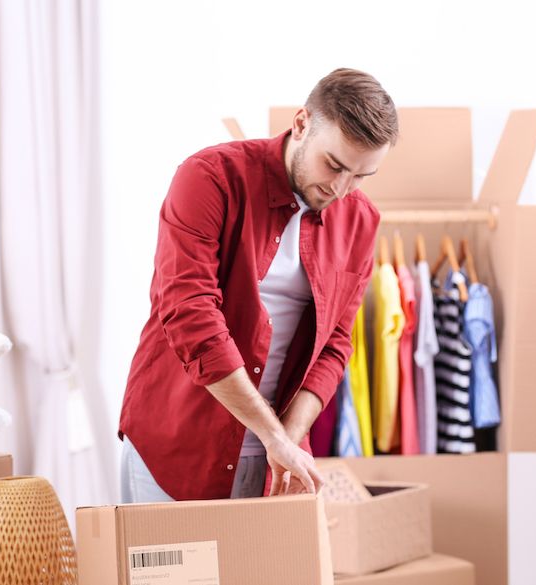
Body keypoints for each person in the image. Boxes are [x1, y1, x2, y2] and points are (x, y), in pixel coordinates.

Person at [118, 68, 398, 502]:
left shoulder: (361, 220)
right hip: (179, 446)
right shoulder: (210, 177)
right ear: (302, 123)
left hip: (279, 460)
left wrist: (286, 439)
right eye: (335, 165)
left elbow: (335, 343)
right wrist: (273, 436)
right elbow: (190, 313)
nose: (342, 188)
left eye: (361, 176)